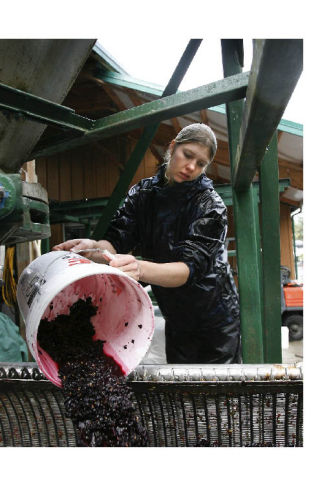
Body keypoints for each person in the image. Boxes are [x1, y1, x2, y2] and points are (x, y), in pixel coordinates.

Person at [53, 123, 241, 364]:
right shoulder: (143, 195)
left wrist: (140, 268)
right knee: (183, 392)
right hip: (177, 317)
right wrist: (93, 249)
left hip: (215, 320)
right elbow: (114, 243)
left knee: (217, 395)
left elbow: (187, 269)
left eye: (201, 163)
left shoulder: (210, 206)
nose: (191, 166)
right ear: (173, 147)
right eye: (188, 155)